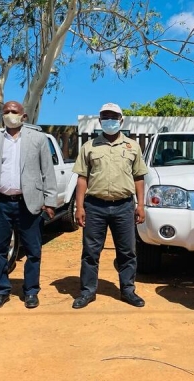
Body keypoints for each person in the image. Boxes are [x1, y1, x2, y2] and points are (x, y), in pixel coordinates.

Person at [0, 100, 57, 310]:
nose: (10, 114)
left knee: (33, 250)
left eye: (14, 111)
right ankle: (1, 291)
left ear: (24, 116)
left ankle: (31, 291)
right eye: (6, 112)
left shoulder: (37, 139)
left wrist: (49, 201)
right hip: (0, 203)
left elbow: (48, 173)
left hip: (29, 204)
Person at [71, 102, 148, 309]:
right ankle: (87, 292)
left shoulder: (133, 146)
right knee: (90, 252)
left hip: (124, 206)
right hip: (95, 206)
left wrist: (141, 205)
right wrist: (79, 207)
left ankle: (128, 290)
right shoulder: (89, 147)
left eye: (113, 117)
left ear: (121, 120)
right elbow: (82, 179)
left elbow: (139, 177)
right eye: (105, 117)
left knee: (127, 251)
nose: (109, 120)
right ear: (100, 121)